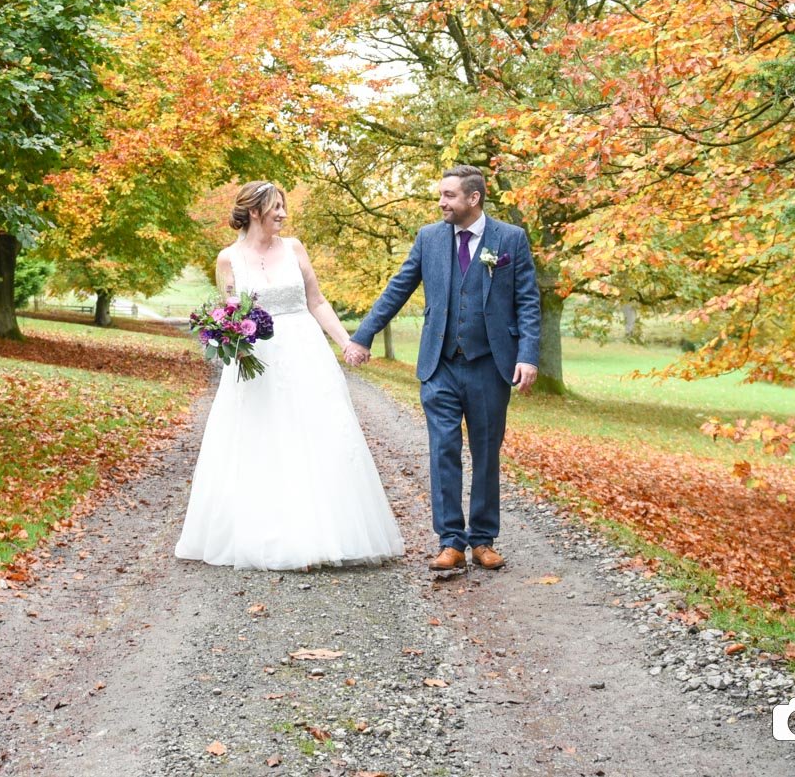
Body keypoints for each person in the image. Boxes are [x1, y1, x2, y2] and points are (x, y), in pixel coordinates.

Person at [175, 181, 405, 571]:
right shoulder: (228, 259)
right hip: (257, 361)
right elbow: (229, 312)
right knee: (264, 440)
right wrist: (226, 336)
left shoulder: (295, 248)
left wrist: (347, 342)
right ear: (253, 211)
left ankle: (322, 535)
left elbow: (316, 300)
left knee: (315, 436)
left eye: (283, 206)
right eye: (275, 207)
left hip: (305, 352)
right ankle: (273, 536)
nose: (282, 214)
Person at [344, 164, 542, 572]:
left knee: (486, 453)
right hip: (440, 366)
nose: (441, 203)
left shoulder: (511, 239)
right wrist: (363, 335)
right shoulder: (429, 238)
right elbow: (398, 287)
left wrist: (528, 355)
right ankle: (450, 540)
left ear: (474, 198)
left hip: (490, 365)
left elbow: (528, 301)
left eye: (449, 196)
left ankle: (483, 539)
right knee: (443, 451)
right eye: (441, 195)